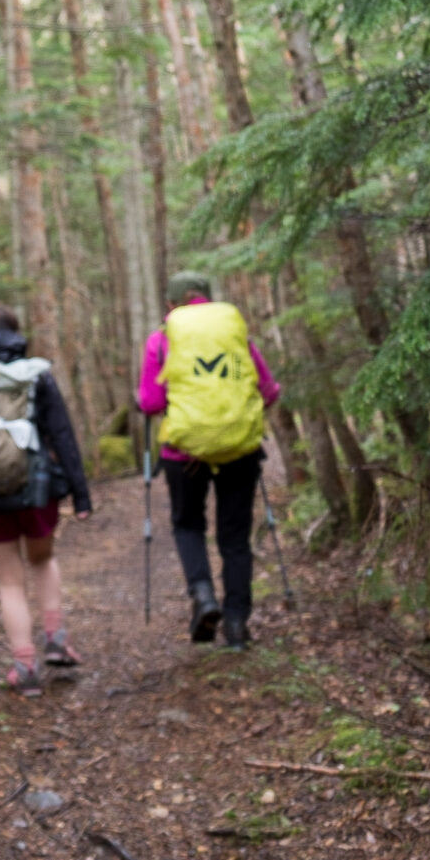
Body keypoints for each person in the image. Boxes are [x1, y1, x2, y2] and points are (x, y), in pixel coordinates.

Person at [0, 304, 93, 697]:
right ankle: (56, 638)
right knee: (43, 558)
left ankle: (25, 665)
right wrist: (80, 494)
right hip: (36, 488)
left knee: (9, 581)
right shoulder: (36, 376)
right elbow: (62, 436)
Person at [136, 272, 281, 649]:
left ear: (170, 304)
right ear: (210, 299)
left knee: (188, 525)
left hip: (183, 452)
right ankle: (236, 623)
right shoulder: (234, 334)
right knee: (235, 537)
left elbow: (151, 403)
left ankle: (202, 596)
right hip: (239, 448)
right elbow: (268, 390)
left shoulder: (161, 339)